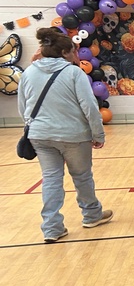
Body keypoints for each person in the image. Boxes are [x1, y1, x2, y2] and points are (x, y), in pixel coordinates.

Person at [18, 26, 113, 242]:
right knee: (82, 176)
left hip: (40, 135)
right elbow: (89, 106)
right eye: (74, 51)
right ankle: (91, 215)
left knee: (51, 179)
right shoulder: (73, 73)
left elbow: (23, 106)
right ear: (64, 53)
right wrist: (98, 134)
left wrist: (34, 126)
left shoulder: (29, 71)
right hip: (73, 135)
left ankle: (51, 228)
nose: (77, 56)